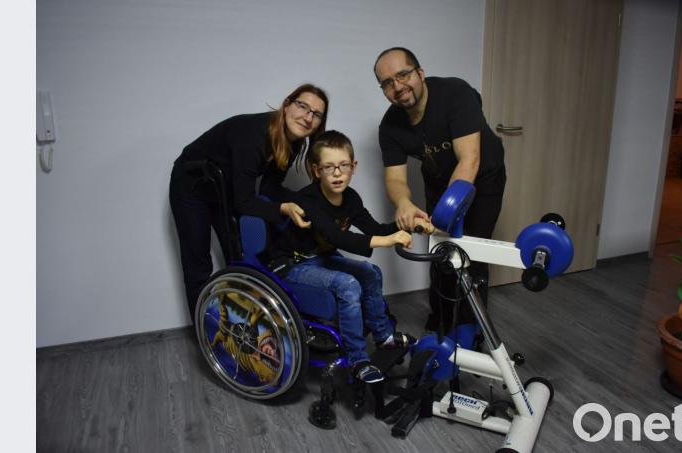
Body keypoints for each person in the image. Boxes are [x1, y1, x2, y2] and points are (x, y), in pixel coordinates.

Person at [271, 130, 428, 383]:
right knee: (348, 284)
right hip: (295, 265)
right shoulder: (308, 199)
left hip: (322, 259)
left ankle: (384, 336)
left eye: (343, 165)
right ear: (316, 170)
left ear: (353, 167)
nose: (337, 173)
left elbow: (375, 229)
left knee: (371, 271)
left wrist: (407, 225)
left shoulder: (351, 198)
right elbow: (337, 238)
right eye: (329, 166)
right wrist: (389, 241)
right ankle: (357, 359)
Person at [374, 47, 506, 340]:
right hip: (438, 178)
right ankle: (441, 320)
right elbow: (395, 179)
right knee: (440, 252)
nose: (397, 86)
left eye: (403, 75)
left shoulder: (454, 93)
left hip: (483, 176)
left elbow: (469, 159)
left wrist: (446, 214)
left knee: (471, 252)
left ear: (420, 73)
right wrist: (404, 203)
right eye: (387, 83)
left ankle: (473, 329)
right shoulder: (390, 126)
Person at [169, 84, 328, 318]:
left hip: (224, 188)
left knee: (240, 257)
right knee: (198, 263)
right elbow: (245, 202)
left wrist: (311, 204)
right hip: (192, 185)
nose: (307, 117)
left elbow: (270, 189)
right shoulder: (255, 134)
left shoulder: (294, 143)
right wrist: (283, 208)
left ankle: (242, 326)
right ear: (286, 105)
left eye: (316, 114)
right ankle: (207, 336)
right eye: (303, 106)